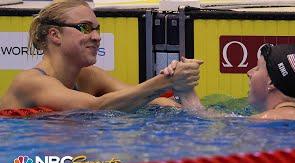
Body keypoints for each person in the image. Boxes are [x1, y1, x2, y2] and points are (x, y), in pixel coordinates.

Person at [0, 0, 203, 112]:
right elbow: (96, 106)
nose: (96, 37)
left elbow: (148, 101)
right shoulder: (30, 82)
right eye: (85, 28)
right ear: (55, 35)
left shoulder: (89, 76)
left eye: (97, 29)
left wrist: (183, 88)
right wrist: (162, 82)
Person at [162, 44, 295, 120]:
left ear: (271, 82)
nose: (248, 73)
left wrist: (184, 90)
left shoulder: (268, 120)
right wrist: (186, 90)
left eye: (257, 69)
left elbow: (205, 121)